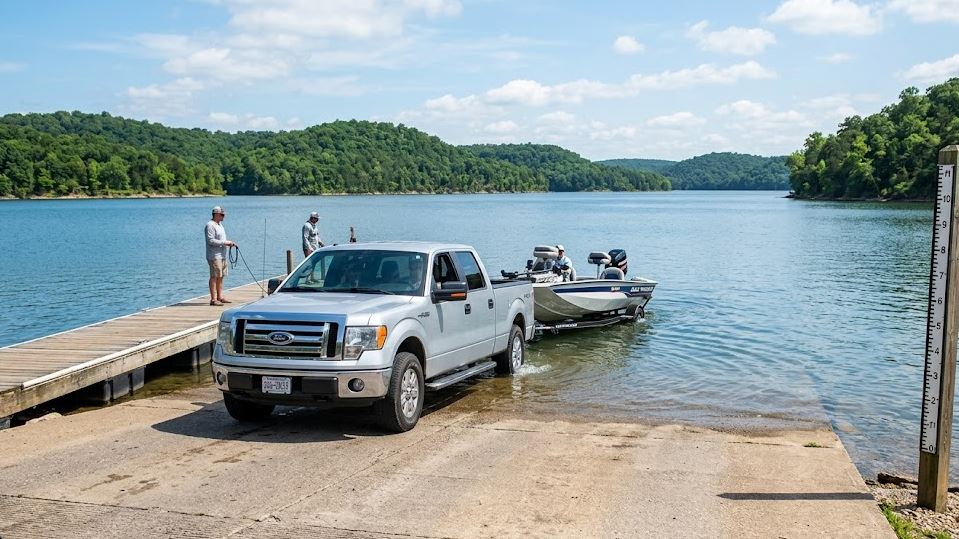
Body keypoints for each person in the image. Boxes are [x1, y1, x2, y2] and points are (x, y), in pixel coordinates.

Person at [205, 206, 236, 306]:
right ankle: (213, 299)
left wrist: (229, 243)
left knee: (221, 276)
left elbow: (221, 240)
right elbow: (210, 241)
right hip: (214, 255)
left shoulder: (220, 225)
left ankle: (220, 297)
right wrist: (225, 242)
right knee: (214, 276)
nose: (224, 216)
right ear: (216, 214)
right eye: (222, 214)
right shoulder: (210, 225)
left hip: (222, 255)